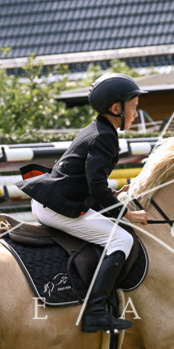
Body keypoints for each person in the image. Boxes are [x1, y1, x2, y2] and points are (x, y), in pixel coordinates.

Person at [16, 73, 150, 332]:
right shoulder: (105, 137)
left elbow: (91, 181)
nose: (136, 114)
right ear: (116, 108)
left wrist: (113, 194)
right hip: (58, 208)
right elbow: (95, 186)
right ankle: (95, 313)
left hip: (52, 200)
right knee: (122, 239)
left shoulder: (99, 128)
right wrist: (127, 215)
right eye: (133, 108)